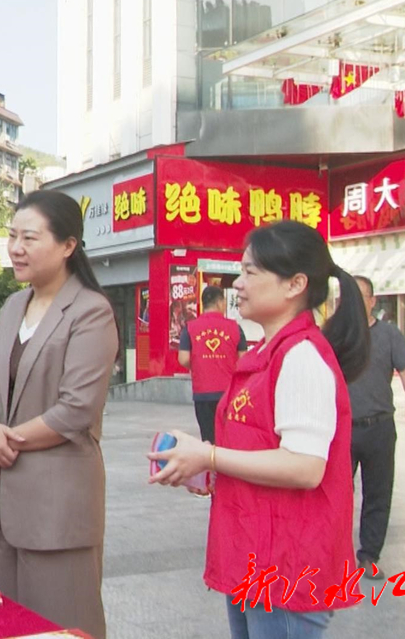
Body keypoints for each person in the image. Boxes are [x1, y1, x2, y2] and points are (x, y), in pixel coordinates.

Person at [150, 220, 371, 639]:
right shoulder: (268, 351)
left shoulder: (302, 356)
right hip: (256, 552)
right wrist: (210, 468)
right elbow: (261, 444)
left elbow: (305, 466)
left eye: (251, 272)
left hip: (286, 566)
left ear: (295, 285)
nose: (238, 284)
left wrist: (209, 455)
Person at [0, 190, 117, 638]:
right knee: (8, 626)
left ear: (68, 245)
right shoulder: (13, 306)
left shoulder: (91, 311)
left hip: (58, 508)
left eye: (30, 237)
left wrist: (0, 441)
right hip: (1, 502)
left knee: (63, 626)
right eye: (12, 236)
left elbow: (75, 410)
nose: (16, 247)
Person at [349, 275, 405, 578]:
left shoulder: (390, 334)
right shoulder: (335, 335)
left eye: (360, 296)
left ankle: (369, 556)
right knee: (336, 494)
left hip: (379, 427)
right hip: (343, 428)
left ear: (372, 301)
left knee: (378, 494)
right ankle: (334, 554)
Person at [178, 285, 248, 443]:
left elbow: (183, 359)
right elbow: (244, 360)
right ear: (220, 303)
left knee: (208, 439)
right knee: (228, 437)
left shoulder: (190, 328)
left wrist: (200, 363)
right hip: (229, 393)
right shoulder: (235, 328)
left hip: (203, 393)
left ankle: (211, 466)